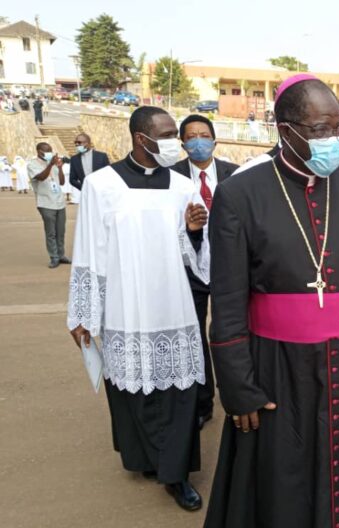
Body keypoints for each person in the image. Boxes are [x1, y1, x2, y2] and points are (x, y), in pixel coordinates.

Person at [204, 74, 339, 528]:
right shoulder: (240, 194)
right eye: (319, 130)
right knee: (282, 482)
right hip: (276, 368)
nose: (332, 140)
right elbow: (227, 300)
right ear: (284, 130)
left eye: (338, 127)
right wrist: (238, 387)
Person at [66, 106, 210, 512]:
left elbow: (197, 257)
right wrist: (83, 313)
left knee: (180, 390)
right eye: (166, 135)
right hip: (125, 305)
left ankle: (176, 474)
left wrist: (196, 234)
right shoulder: (101, 184)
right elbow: (89, 252)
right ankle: (148, 458)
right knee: (133, 391)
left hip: (173, 303)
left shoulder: (183, 186)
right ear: (140, 138)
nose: (175, 143)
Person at [172, 114, 239, 429]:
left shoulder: (235, 175)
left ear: (215, 140)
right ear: (182, 143)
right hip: (191, 269)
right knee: (194, 336)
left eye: (203, 134)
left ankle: (236, 393)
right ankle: (202, 403)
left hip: (230, 268)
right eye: (191, 136)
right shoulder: (171, 179)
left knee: (229, 333)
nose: (198, 141)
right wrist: (189, 230)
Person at [27, 143, 69, 268]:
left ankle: (61, 255)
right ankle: (54, 257)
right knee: (51, 232)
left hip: (59, 202)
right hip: (45, 203)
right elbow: (41, 177)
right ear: (39, 151)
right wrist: (50, 165)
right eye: (47, 151)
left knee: (60, 231)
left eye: (51, 150)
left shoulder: (54, 164)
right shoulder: (32, 165)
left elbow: (61, 182)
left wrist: (60, 167)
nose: (49, 153)